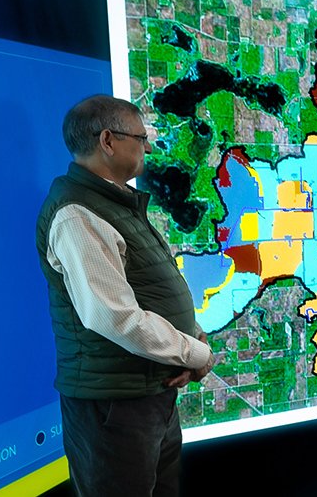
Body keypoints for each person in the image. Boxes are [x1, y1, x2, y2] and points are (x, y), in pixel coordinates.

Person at [37, 95, 215, 496]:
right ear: (108, 140)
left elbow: (148, 288)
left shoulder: (113, 203)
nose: (147, 147)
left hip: (147, 395)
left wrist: (191, 334)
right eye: (141, 137)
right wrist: (195, 353)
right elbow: (113, 316)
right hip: (114, 408)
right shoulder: (77, 214)